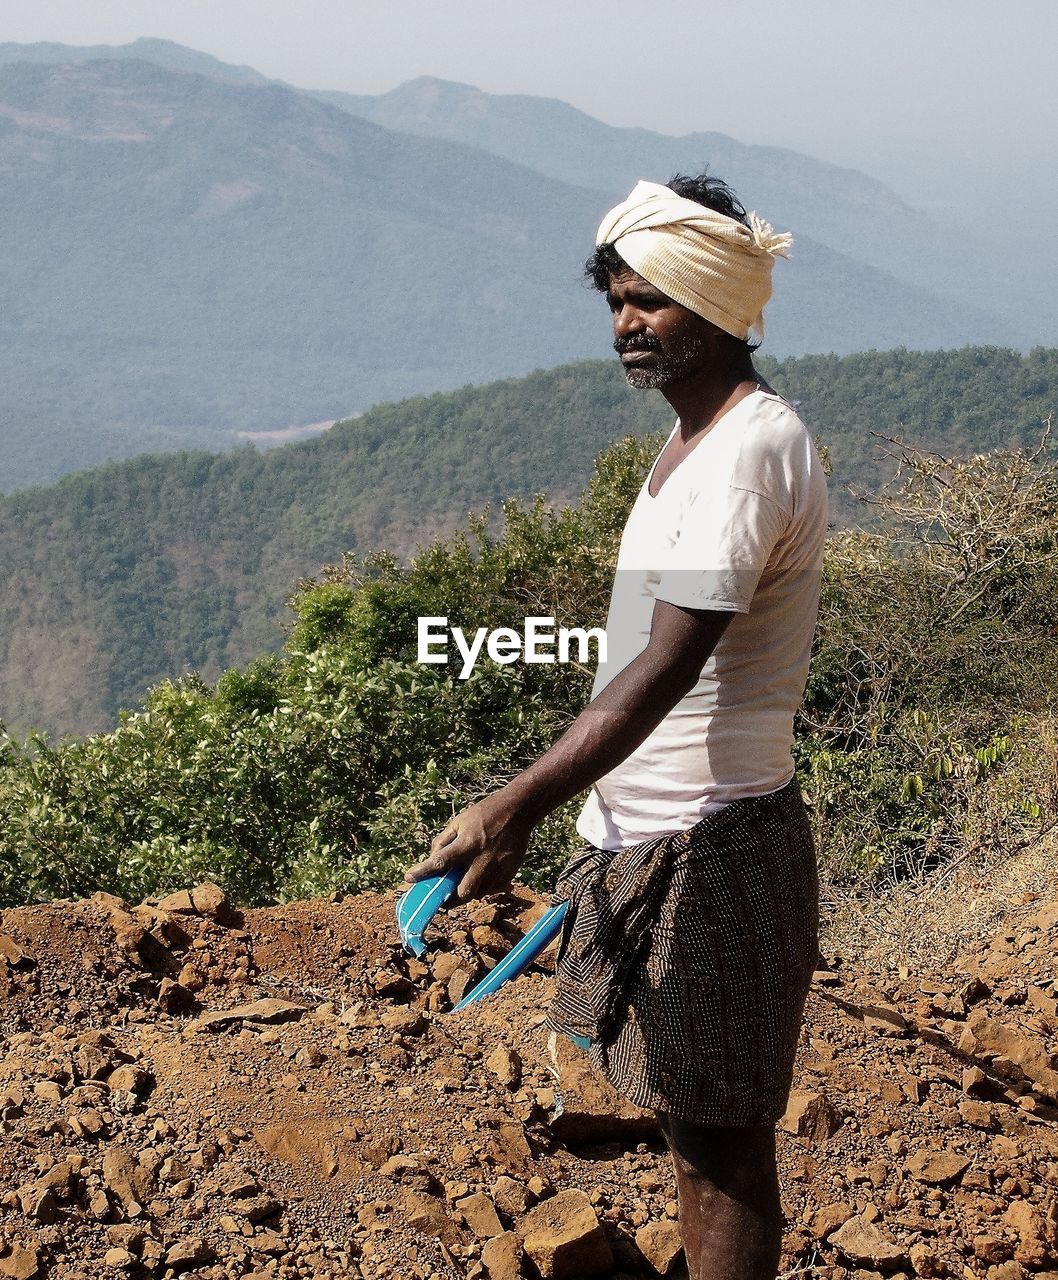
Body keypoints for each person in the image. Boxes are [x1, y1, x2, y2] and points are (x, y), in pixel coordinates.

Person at [403, 172, 828, 1280]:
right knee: (690, 1121)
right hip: (662, 839)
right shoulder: (695, 441)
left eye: (651, 300)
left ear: (719, 306)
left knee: (719, 1142)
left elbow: (663, 664)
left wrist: (512, 806)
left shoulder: (740, 457)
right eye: (614, 302)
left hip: (712, 846)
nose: (625, 324)